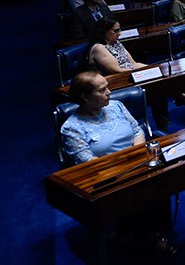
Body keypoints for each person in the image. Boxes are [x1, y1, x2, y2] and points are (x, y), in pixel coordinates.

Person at [61, 71, 176, 254]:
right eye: (102, 90)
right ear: (85, 97)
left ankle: (150, 229)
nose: (109, 92)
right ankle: (145, 235)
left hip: (138, 163)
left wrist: (137, 156)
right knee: (138, 190)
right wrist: (125, 170)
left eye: (107, 86)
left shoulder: (116, 106)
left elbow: (137, 131)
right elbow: (89, 162)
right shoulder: (72, 127)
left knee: (162, 177)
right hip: (107, 175)